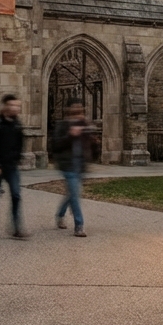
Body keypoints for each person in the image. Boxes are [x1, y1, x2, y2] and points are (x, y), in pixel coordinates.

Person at [0, 94, 27, 239]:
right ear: (5, 106)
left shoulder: (17, 124)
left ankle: (16, 227)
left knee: (16, 194)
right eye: (13, 105)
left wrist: (16, 159)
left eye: (18, 106)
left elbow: (19, 145)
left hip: (11, 166)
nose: (16, 108)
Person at [52, 100, 93, 237]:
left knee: (72, 194)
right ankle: (79, 225)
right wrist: (71, 135)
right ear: (68, 110)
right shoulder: (62, 125)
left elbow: (89, 143)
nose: (77, 112)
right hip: (67, 165)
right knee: (75, 195)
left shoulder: (84, 124)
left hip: (80, 165)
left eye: (80, 109)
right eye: (74, 109)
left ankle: (60, 215)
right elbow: (56, 145)